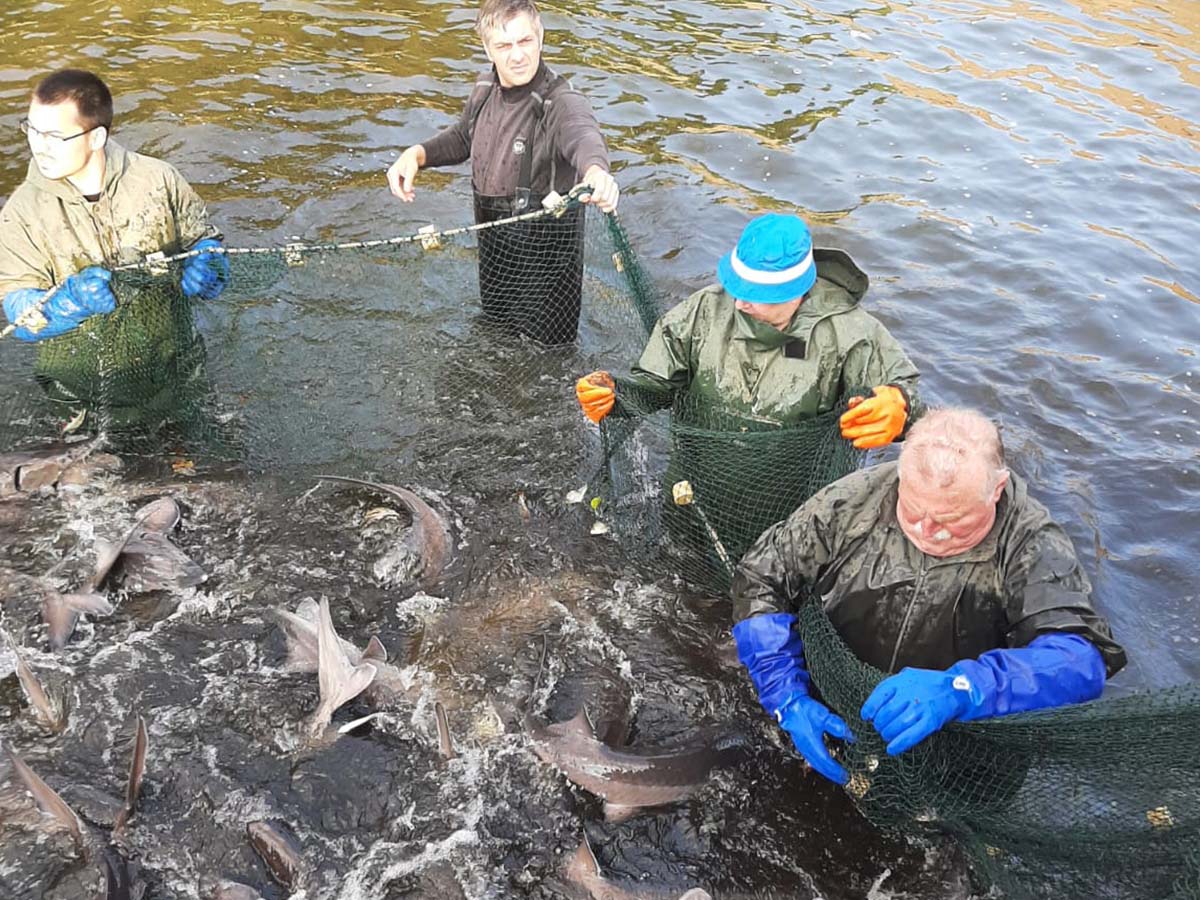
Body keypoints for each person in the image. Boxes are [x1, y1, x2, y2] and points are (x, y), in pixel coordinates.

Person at [730, 407, 1127, 785]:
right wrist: (787, 695)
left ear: (997, 488)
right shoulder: (849, 503)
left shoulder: (1032, 543)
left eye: (952, 520)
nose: (928, 531)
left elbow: (1080, 660)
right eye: (914, 510)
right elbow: (761, 579)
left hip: (954, 735)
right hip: (837, 700)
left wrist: (966, 688)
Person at [573, 213, 922, 585]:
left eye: (755, 296)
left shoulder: (852, 334)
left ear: (796, 292)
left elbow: (914, 405)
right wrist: (615, 395)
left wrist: (901, 406)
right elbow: (653, 386)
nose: (739, 304)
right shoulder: (702, 313)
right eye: (737, 288)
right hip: (693, 502)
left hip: (788, 520)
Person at [0, 69, 229, 434]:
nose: (38, 145)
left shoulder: (159, 179)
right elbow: (18, 313)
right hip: (80, 393)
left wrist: (209, 261)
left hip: (176, 372)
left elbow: (205, 238)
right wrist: (67, 303)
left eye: (55, 136)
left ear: (96, 137)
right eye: (32, 129)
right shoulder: (20, 214)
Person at [386, 0, 619, 345]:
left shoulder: (562, 102)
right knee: (493, 341)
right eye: (504, 46)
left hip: (548, 279)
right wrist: (417, 155)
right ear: (487, 48)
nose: (517, 56)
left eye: (525, 41)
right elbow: (465, 136)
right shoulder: (483, 91)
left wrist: (597, 173)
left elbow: (583, 135)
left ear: (540, 37)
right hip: (496, 259)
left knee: (543, 363)